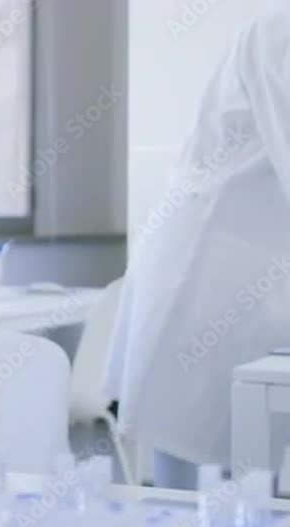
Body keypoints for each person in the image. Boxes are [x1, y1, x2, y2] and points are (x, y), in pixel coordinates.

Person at [105, 1, 290, 489]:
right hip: (204, 276)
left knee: (251, 474)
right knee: (189, 487)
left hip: (253, 281)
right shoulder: (279, 32)